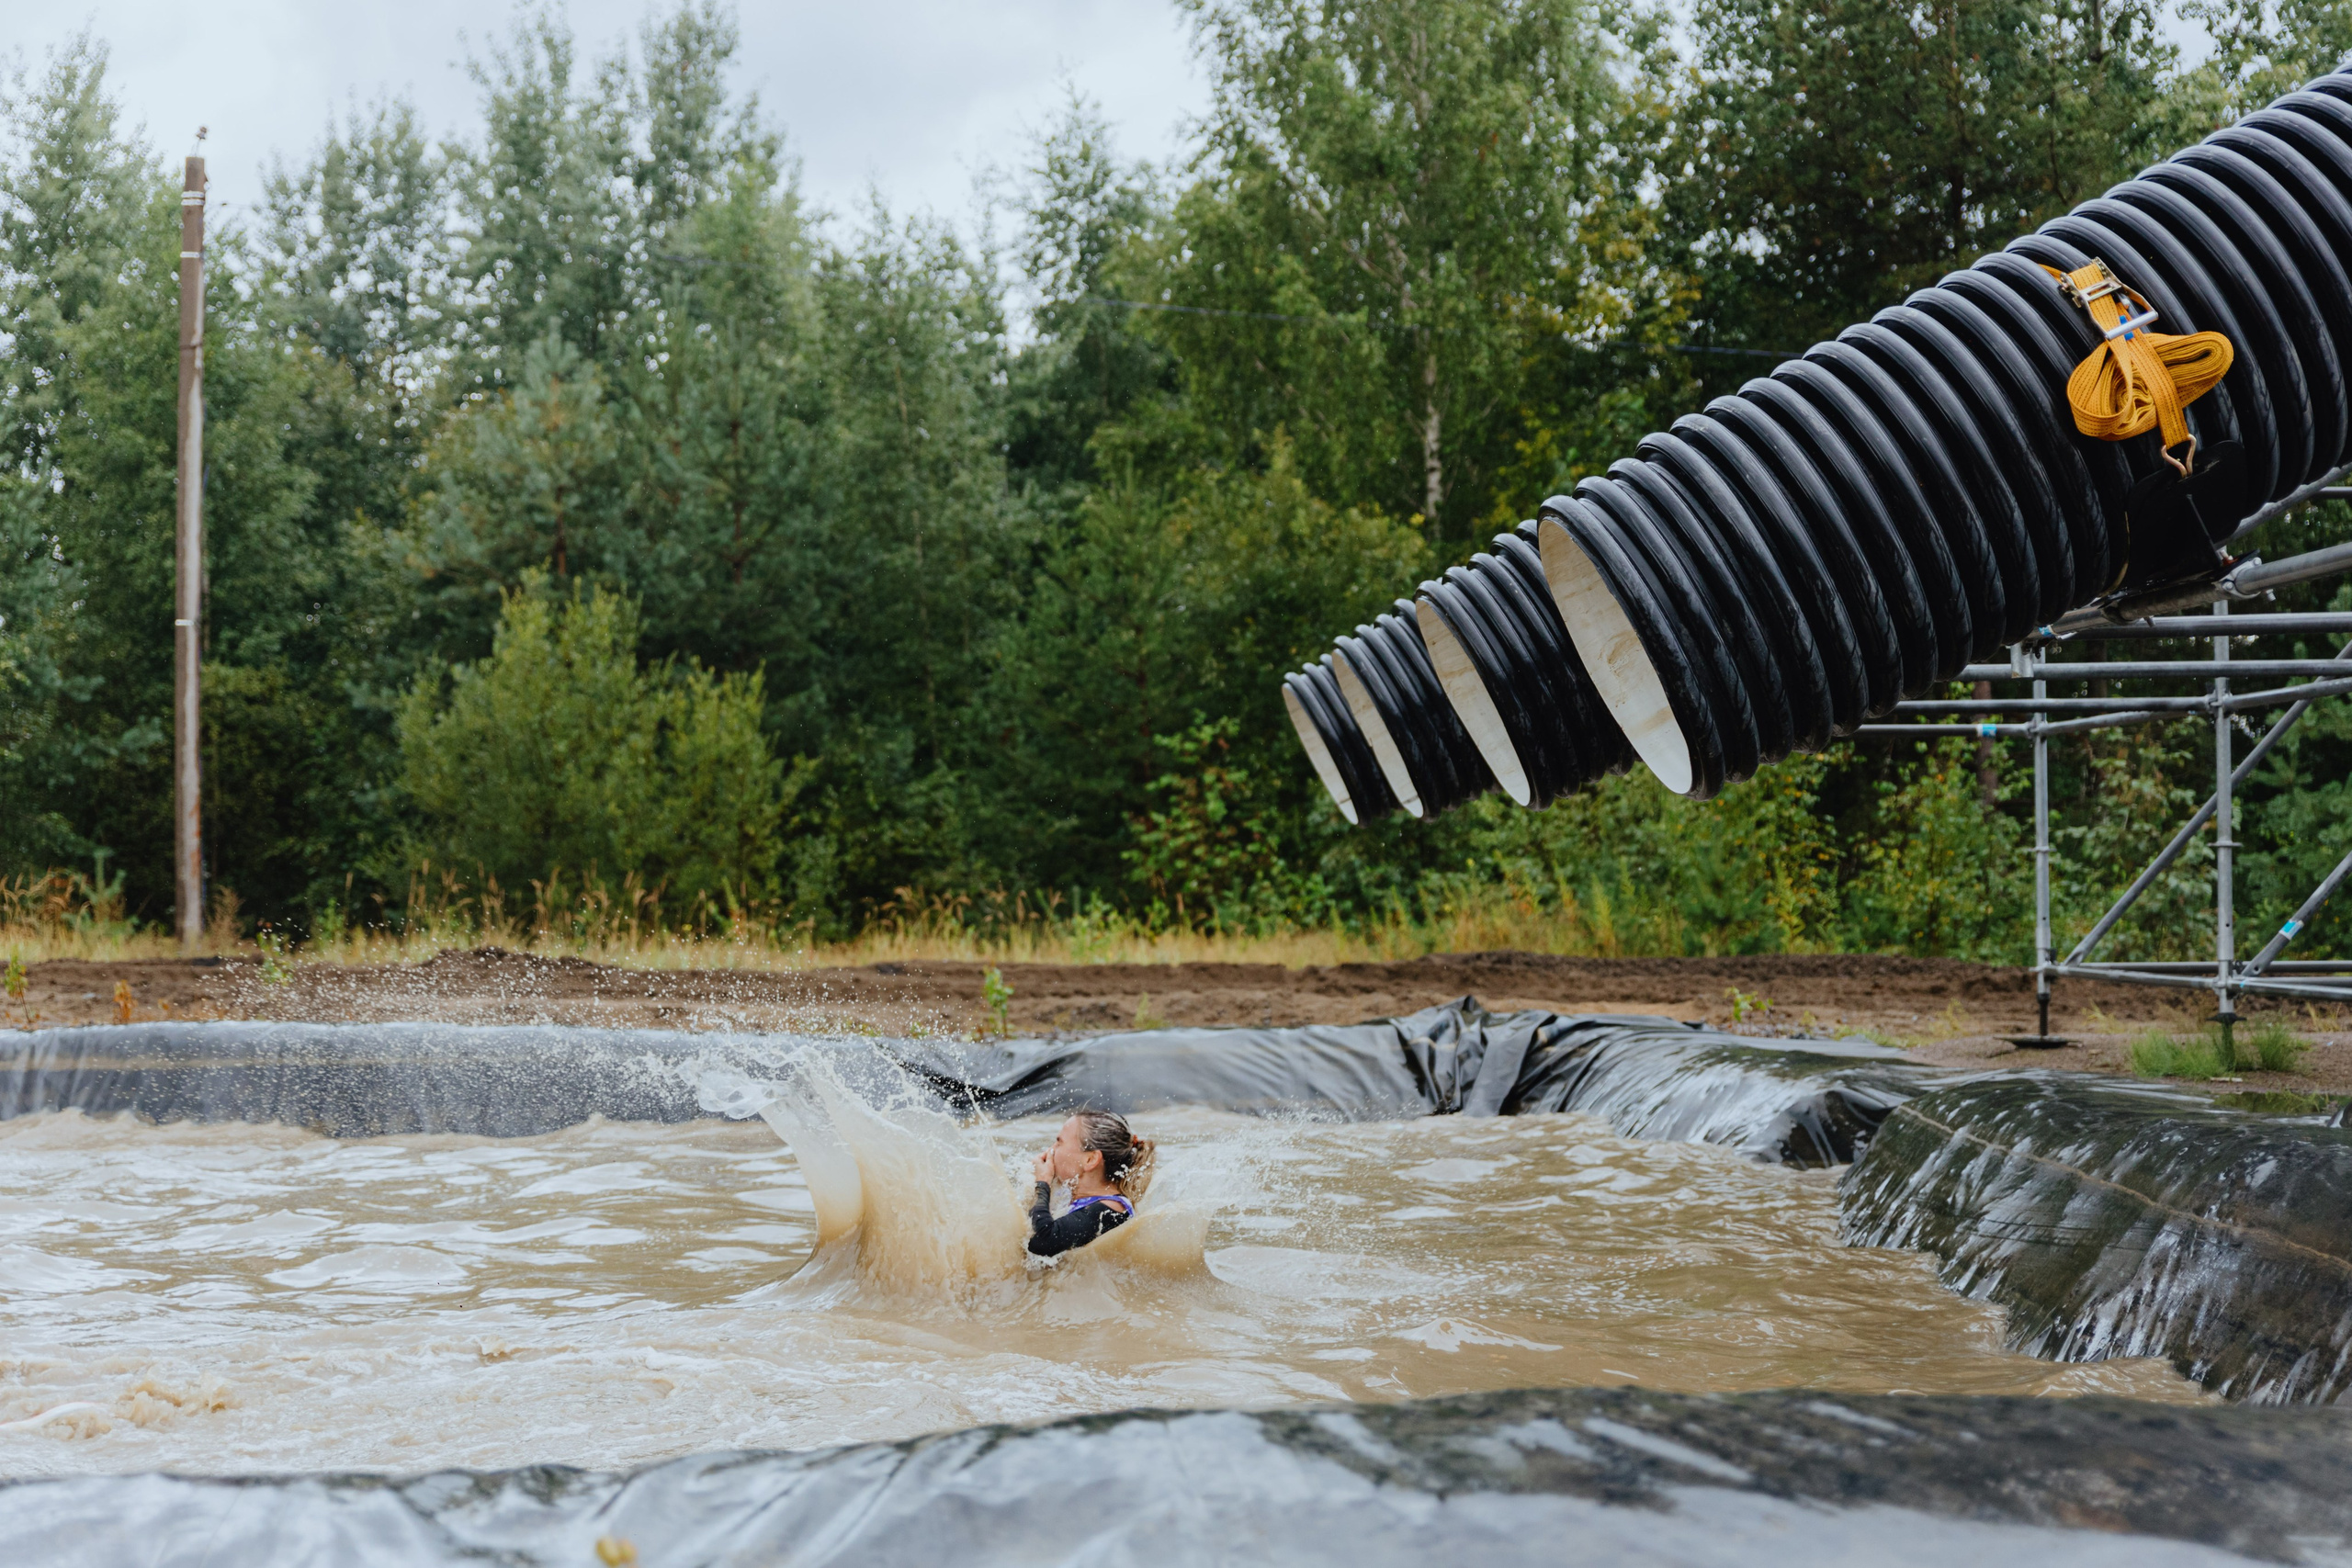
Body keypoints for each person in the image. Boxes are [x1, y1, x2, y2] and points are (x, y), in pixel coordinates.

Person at [1027, 1109, 1156, 1258]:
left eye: (1059, 1143)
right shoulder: (1068, 1195)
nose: (1051, 1150)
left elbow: (1041, 1243)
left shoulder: (1112, 1210)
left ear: (1090, 1160)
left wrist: (1042, 1182)